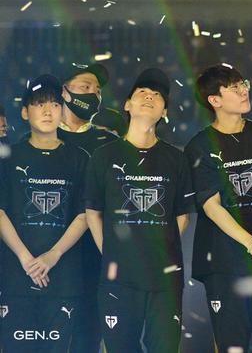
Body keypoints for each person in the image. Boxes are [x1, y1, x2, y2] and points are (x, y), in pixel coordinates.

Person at [185, 64, 252, 352]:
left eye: (242, 83)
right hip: (224, 263)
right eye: (233, 87)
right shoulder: (200, 146)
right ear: (214, 100)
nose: (243, 90)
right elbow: (211, 206)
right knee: (233, 344)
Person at [83, 68, 195, 352]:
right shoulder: (104, 156)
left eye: (157, 95)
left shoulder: (176, 159)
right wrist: (111, 251)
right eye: (142, 92)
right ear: (127, 105)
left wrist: (158, 249)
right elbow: (93, 211)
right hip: (118, 280)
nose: (149, 97)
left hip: (165, 280)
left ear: (164, 112)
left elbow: (182, 215)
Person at [0, 74, 90, 352]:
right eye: (40, 104)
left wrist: (53, 255)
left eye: (54, 104)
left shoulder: (79, 158)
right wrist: (27, 259)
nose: (48, 111)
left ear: (63, 111)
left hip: (63, 279)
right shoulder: (8, 157)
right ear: (25, 112)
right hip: (16, 277)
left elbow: (85, 214)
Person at [59, 63, 118, 353]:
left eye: (97, 90)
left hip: (95, 257)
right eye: (85, 87)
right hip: (47, 258)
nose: (93, 93)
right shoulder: (36, 139)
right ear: (64, 92)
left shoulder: (111, 144)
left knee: (88, 338)